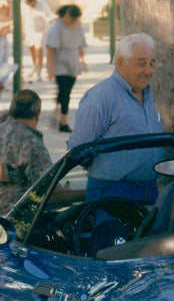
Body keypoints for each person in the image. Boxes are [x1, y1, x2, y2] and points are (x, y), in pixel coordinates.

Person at [68, 33, 163, 203]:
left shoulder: (147, 93)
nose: (148, 70)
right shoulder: (101, 97)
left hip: (149, 190)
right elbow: (78, 149)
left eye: (151, 63)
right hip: (113, 193)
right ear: (120, 62)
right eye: (141, 64)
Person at [0, 90, 51, 215]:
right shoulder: (32, 143)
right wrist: (83, 194)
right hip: (22, 217)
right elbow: (48, 189)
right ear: (38, 114)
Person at [45, 4, 87, 133]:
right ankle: (63, 121)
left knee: (65, 90)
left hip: (73, 61)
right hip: (60, 61)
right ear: (65, 15)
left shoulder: (78, 26)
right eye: (69, 19)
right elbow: (50, 49)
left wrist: (83, 61)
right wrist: (51, 68)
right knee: (65, 90)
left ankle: (57, 113)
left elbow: (80, 45)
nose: (71, 22)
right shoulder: (56, 26)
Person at [23, 0, 53, 82]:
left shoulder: (42, 6)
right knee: (31, 49)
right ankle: (34, 67)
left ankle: (39, 71)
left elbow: (48, 17)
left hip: (41, 30)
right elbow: (24, 18)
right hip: (29, 30)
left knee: (39, 49)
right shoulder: (26, 7)